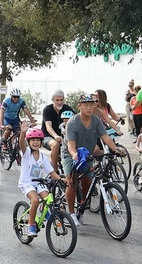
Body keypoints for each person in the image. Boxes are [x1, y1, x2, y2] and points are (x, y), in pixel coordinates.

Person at [52, 93, 123, 223]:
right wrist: (74, 155)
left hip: (87, 154)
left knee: (87, 181)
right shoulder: (73, 122)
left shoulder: (96, 121)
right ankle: (71, 214)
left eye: (91, 105)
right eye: (86, 105)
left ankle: (82, 204)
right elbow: (71, 145)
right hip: (70, 154)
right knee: (71, 181)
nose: (89, 108)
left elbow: (105, 137)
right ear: (79, 106)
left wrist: (115, 149)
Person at [16, 128, 60, 237]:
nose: (35, 142)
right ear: (29, 142)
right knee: (35, 200)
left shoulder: (43, 157)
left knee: (48, 198)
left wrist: (60, 179)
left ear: (41, 142)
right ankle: (31, 225)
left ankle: (43, 209)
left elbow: (51, 172)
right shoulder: (26, 153)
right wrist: (23, 133)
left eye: (37, 140)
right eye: (33, 140)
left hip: (39, 183)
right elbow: (21, 144)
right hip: (27, 183)